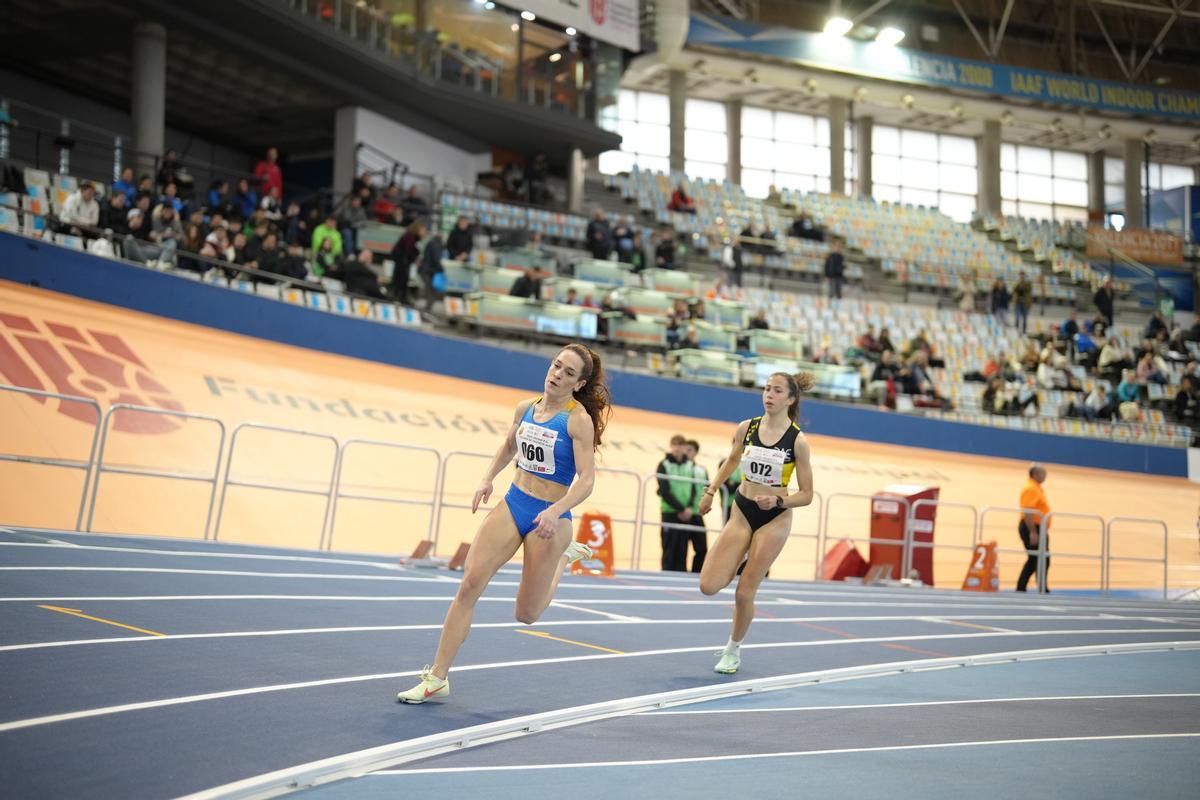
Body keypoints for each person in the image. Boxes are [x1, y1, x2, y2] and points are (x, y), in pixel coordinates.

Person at [397, 345, 610, 703]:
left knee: (526, 614)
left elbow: (586, 481)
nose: (556, 374)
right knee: (468, 585)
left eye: (568, 372)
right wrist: (487, 478)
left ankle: (562, 557)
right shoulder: (525, 408)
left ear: (579, 383)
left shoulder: (577, 420)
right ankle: (437, 677)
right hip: (515, 503)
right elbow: (509, 447)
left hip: (550, 517)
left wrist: (556, 511)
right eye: (556, 365)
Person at [697, 372, 816, 674]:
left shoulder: (797, 441)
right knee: (708, 585)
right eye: (766, 389)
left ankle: (732, 650)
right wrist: (711, 491)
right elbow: (732, 460)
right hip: (742, 509)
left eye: (777, 391)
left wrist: (779, 501)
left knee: (744, 592)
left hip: (774, 518)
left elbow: (807, 495)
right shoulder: (746, 428)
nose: (769, 395)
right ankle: (743, 552)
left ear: (790, 399)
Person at [656, 435, 697, 572]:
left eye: (680, 445)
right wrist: (681, 509)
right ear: (671, 446)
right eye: (675, 445)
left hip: (686, 514)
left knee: (682, 551)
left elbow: (693, 488)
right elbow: (664, 491)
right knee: (669, 550)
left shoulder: (690, 466)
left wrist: (690, 507)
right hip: (670, 512)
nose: (678, 448)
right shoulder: (664, 465)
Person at [1017, 464, 1051, 593]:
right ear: (1035, 474)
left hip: (1038, 528)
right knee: (1038, 558)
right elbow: (1028, 511)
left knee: (1037, 558)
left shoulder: (1037, 488)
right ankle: (1037, 587)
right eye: (1043, 473)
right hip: (1032, 527)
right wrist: (1033, 531)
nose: (1045, 476)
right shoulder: (1030, 488)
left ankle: (1025, 587)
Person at [684, 439, 709, 573]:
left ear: (695, 452)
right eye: (685, 449)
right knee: (681, 549)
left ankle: (695, 573)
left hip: (697, 514)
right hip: (683, 514)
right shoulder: (680, 468)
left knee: (702, 548)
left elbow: (707, 489)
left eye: (690, 450)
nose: (687, 453)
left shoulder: (701, 470)